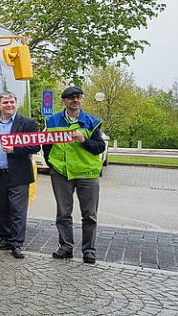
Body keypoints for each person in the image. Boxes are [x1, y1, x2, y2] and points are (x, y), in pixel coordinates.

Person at [44, 86, 106, 264]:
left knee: (89, 215)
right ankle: (65, 247)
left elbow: (99, 147)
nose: (75, 100)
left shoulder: (91, 122)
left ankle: (89, 251)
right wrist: (52, 164)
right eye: (71, 98)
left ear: (82, 100)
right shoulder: (53, 121)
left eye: (78, 97)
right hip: (62, 173)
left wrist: (83, 140)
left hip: (87, 174)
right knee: (63, 214)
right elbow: (46, 144)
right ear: (64, 101)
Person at [0, 92, 39, 259]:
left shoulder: (27, 123)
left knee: (17, 210)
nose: (9, 105)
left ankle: (17, 243)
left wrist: (15, 149)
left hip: (18, 174)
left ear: (16, 104)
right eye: (5, 102)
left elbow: (35, 146)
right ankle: (5, 238)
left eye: (12, 102)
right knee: (2, 208)